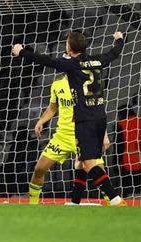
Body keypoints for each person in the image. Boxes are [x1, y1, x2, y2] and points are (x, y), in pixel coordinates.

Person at [13, 31, 127, 206]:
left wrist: (21, 51)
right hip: (88, 122)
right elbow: (114, 53)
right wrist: (119, 39)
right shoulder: (96, 61)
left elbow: (45, 60)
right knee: (77, 165)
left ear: (69, 49)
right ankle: (74, 202)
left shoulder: (72, 65)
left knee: (90, 165)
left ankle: (114, 200)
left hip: (84, 124)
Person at [29, 74, 111, 205]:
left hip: (84, 134)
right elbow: (52, 108)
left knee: (99, 171)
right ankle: (33, 204)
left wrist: (104, 135)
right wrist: (41, 121)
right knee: (39, 169)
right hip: (62, 137)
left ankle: (112, 201)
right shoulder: (57, 85)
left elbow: (97, 110)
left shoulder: (87, 84)